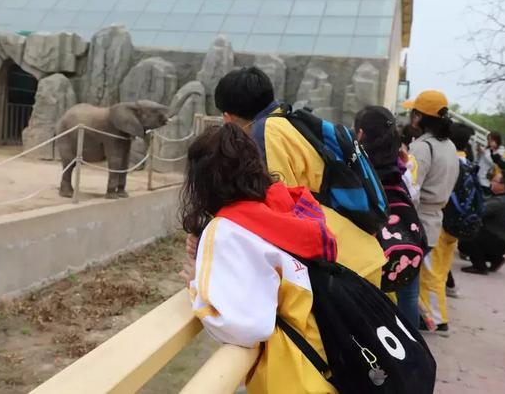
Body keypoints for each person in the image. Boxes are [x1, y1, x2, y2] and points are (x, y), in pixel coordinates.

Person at [182, 123, 338, 393]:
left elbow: (245, 327)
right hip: (324, 360)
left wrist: (195, 282)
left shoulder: (226, 228)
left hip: (288, 376)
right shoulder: (286, 205)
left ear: (203, 181)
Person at [209, 67, 386, 287]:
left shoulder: (267, 132)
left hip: (344, 266)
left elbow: (281, 209)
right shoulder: (289, 119)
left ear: (229, 116)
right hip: (360, 252)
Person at [354, 106, 426, 326]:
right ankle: (413, 348)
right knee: (408, 299)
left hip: (371, 244)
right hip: (408, 239)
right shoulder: (404, 164)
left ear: (360, 134)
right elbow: (413, 196)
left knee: (367, 302)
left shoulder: (356, 167)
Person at [403, 90, 460, 333]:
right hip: (435, 219)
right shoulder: (449, 146)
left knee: (406, 286)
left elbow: (410, 189)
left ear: (418, 117)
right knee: (412, 281)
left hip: (418, 219)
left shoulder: (423, 148)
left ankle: (407, 332)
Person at [459, 170, 505, 274]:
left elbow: (477, 212)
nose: (492, 182)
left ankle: (480, 267)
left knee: (467, 234)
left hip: (496, 242)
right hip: (500, 241)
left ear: (504, 185)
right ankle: (496, 259)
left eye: (495, 181)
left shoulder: (499, 203)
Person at [443, 122, 475, 299]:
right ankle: (450, 285)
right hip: (458, 219)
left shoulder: (451, 161)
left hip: (445, 220)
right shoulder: (467, 161)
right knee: (444, 263)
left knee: (434, 272)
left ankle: (438, 321)